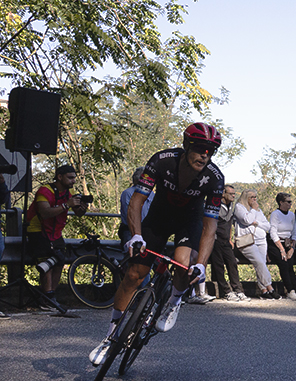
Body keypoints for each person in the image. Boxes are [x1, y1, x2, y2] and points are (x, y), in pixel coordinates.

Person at [88, 123, 225, 366]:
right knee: (134, 274)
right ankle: (110, 337)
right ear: (186, 145)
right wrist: (136, 235)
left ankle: (174, 301)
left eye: (211, 151)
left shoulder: (214, 178)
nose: (205, 155)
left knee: (183, 264)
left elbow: (210, 226)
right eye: (200, 148)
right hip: (159, 218)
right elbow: (137, 201)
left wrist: (202, 265)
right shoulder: (162, 161)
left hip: (189, 222)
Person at [26, 163, 91, 295]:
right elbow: (45, 213)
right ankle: (47, 296)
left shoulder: (68, 192)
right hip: (37, 230)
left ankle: (51, 294)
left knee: (60, 261)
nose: (73, 181)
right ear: (60, 177)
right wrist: (66, 205)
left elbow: (78, 213)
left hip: (55, 232)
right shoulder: (45, 191)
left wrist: (82, 208)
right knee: (46, 263)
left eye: (74, 178)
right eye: (70, 178)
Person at [234, 189, 275, 299]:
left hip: (261, 240)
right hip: (247, 241)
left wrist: (257, 223)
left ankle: (264, 290)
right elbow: (247, 220)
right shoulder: (239, 207)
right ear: (246, 197)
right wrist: (253, 210)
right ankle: (270, 287)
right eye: (252, 197)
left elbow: (267, 226)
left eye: (255, 197)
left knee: (261, 264)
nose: (254, 199)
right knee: (259, 262)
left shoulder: (257, 210)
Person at [210, 184, 247, 302]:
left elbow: (230, 223)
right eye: (230, 194)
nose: (233, 196)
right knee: (219, 266)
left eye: (234, 194)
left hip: (226, 240)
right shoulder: (216, 206)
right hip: (215, 240)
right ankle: (226, 291)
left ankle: (238, 290)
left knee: (232, 263)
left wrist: (230, 239)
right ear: (223, 194)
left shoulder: (231, 206)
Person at [268, 192, 296, 300]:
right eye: (288, 202)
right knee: (283, 263)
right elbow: (273, 232)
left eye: (290, 202)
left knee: (291, 264)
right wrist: (282, 249)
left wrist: (292, 248)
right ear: (281, 202)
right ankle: (290, 290)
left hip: (288, 243)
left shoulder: (291, 215)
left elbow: (294, 232)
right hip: (276, 243)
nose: (290, 204)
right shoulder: (275, 214)